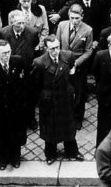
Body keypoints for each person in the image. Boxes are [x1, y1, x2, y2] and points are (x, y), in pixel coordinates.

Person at [0, 40, 30, 170]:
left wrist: (22, 101)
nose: (7, 55)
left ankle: (15, 157)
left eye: (9, 52)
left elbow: (24, 81)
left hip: (15, 106)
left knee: (16, 132)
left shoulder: (18, 61)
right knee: (0, 134)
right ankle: (1, 159)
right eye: (4, 53)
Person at [33, 35, 81, 163]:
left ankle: (72, 151)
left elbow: (73, 75)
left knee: (68, 126)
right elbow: (36, 85)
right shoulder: (39, 63)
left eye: (57, 47)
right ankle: (50, 154)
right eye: (52, 49)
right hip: (49, 101)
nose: (55, 51)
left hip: (65, 97)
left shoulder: (68, 56)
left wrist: (73, 91)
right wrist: (43, 98)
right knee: (50, 128)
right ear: (46, 48)